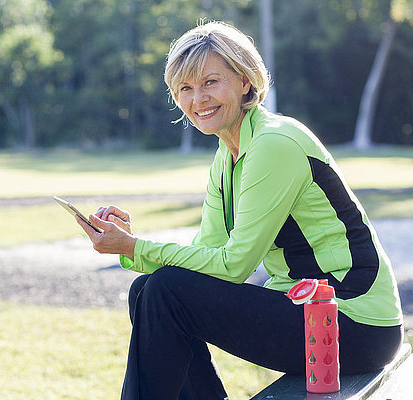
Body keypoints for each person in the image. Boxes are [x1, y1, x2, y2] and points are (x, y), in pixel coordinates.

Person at [75, 21, 404, 400]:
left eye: (210, 82)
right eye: (185, 88)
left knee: (166, 292)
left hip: (354, 324)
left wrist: (135, 247)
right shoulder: (227, 157)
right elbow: (205, 257)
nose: (198, 99)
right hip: (308, 313)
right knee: (147, 290)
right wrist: (129, 248)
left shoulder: (273, 143)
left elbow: (234, 266)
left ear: (245, 81)